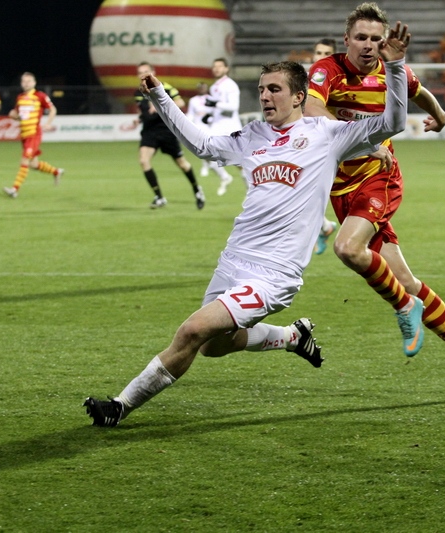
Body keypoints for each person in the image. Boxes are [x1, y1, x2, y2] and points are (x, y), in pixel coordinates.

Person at [82, 22, 412, 427]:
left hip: (274, 274)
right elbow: (204, 145)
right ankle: (292, 337)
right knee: (213, 346)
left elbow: (393, 122)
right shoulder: (253, 135)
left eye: (275, 89)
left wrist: (395, 67)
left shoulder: (328, 135)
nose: (265, 96)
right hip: (234, 260)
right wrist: (161, 98)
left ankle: (119, 407)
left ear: (299, 96)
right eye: (261, 89)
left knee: (191, 331)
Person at [306, 2, 445, 396]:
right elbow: (311, 108)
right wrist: (360, 140)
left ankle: (404, 308)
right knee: (405, 281)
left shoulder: (392, 72)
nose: (368, 45)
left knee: (347, 248)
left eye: (376, 39)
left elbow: (419, 91)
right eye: (361, 37)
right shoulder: (328, 70)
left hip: (380, 178)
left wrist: (441, 117)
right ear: (346, 39)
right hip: (341, 188)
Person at [134, 62, 205, 209]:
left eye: (146, 71)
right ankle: (159, 197)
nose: (143, 74)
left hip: (166, 131)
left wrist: (159, 104)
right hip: (149, 132)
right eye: (140, 72)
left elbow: (180, 102)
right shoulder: (138, 92)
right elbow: (143, 112)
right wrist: (139, 119)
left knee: (182, 164)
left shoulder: (165, 87)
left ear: (153, 72)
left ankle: (197, 190)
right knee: (144, 161)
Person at [2, 72, 64, 198]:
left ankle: (14, 189)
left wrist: (48, 123)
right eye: (24, 81)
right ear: (21, 83)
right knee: (33, 164)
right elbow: (18, 115)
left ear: (34, 83)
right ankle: (56, 171)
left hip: (34, 134)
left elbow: (53, 109)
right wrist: (13, 115)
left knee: (24, 160)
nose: (26, 83)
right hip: (24, 135)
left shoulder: (40, 96)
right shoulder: (20, 98)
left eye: (29, 81)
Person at [311, 37, 340, 255]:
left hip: (330, 142)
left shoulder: (336, 78)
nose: (321, 57)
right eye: (318, 53)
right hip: (310, 141)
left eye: (326, 53)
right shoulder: (307, 77)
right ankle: (323, 226)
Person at [203, 57, 242, 196]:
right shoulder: (214, 86)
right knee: (206, 152)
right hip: (217, 127)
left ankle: (253, 192)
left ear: (226, 69)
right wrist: (209, 114)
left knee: (240, 163)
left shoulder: (230, 85)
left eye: (220, 66)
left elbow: (233, 106)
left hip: (230, 127)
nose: (217, 69)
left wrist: (215, 104)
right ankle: (225, 177)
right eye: (215, 66)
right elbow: (217, 106)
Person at [185, 81, 213, 178]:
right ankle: (206, 165)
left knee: (209, 147)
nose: (202, 89)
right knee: (201, 148)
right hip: (198, 126)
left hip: (210, 126)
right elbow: (191, 114)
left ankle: (208, 166)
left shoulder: (211, 99)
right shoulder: (193, 100)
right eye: (200, 87)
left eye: (204, 87)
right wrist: (187, 124)